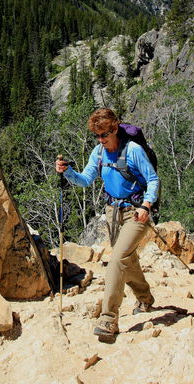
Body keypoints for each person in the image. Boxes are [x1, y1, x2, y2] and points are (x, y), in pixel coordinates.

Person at [55, 107, 159, 339]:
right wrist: (68, 172)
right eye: (97, 136)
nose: (101, 140)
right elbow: (85, 180)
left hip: (135, 211)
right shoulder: (98, 153)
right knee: (127, 258)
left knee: (117, 259)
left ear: (115, 129)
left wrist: (146, 206)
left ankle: (109, 318)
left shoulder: (133, 150)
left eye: (104, 135)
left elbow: (152, 180)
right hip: (113, 211)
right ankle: (145, 299)